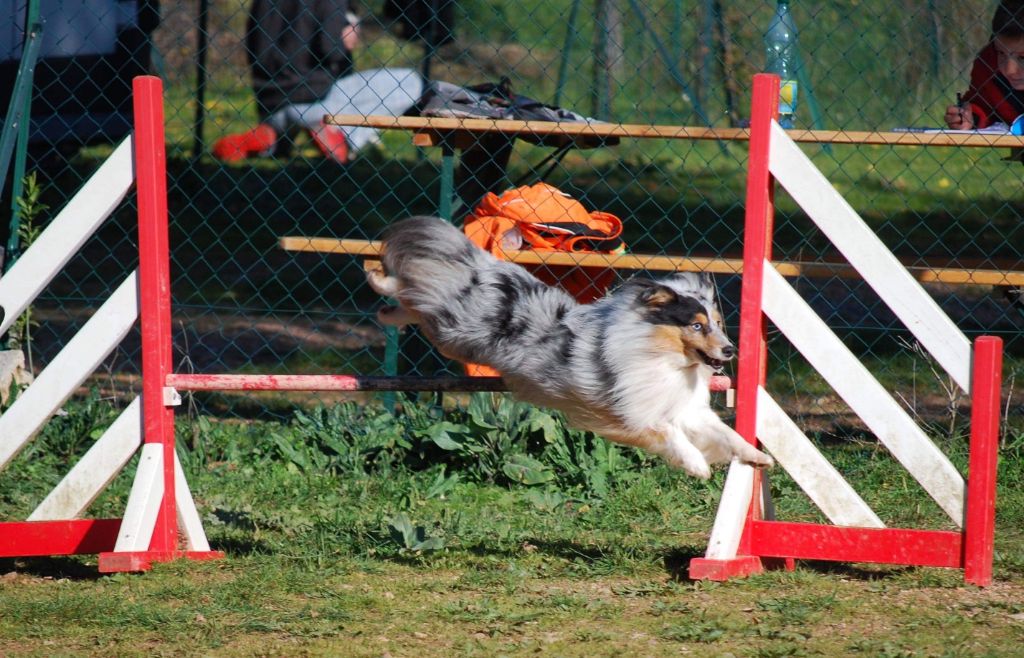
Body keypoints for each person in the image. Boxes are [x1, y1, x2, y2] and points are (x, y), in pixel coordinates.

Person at [213, 0, 425, 163]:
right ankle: (343, 137)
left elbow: (253, 48)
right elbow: (329, 48)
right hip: (317, 101)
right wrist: (347, 36)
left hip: (270, 101)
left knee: (295, 112)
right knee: (409, 81)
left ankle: (273, 137)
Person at [946, 1, 1024, 129]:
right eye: (1001, 53)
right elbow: (982, 104)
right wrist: (970, 118)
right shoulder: (987, 63)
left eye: (1022, 57)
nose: (1010, 70)